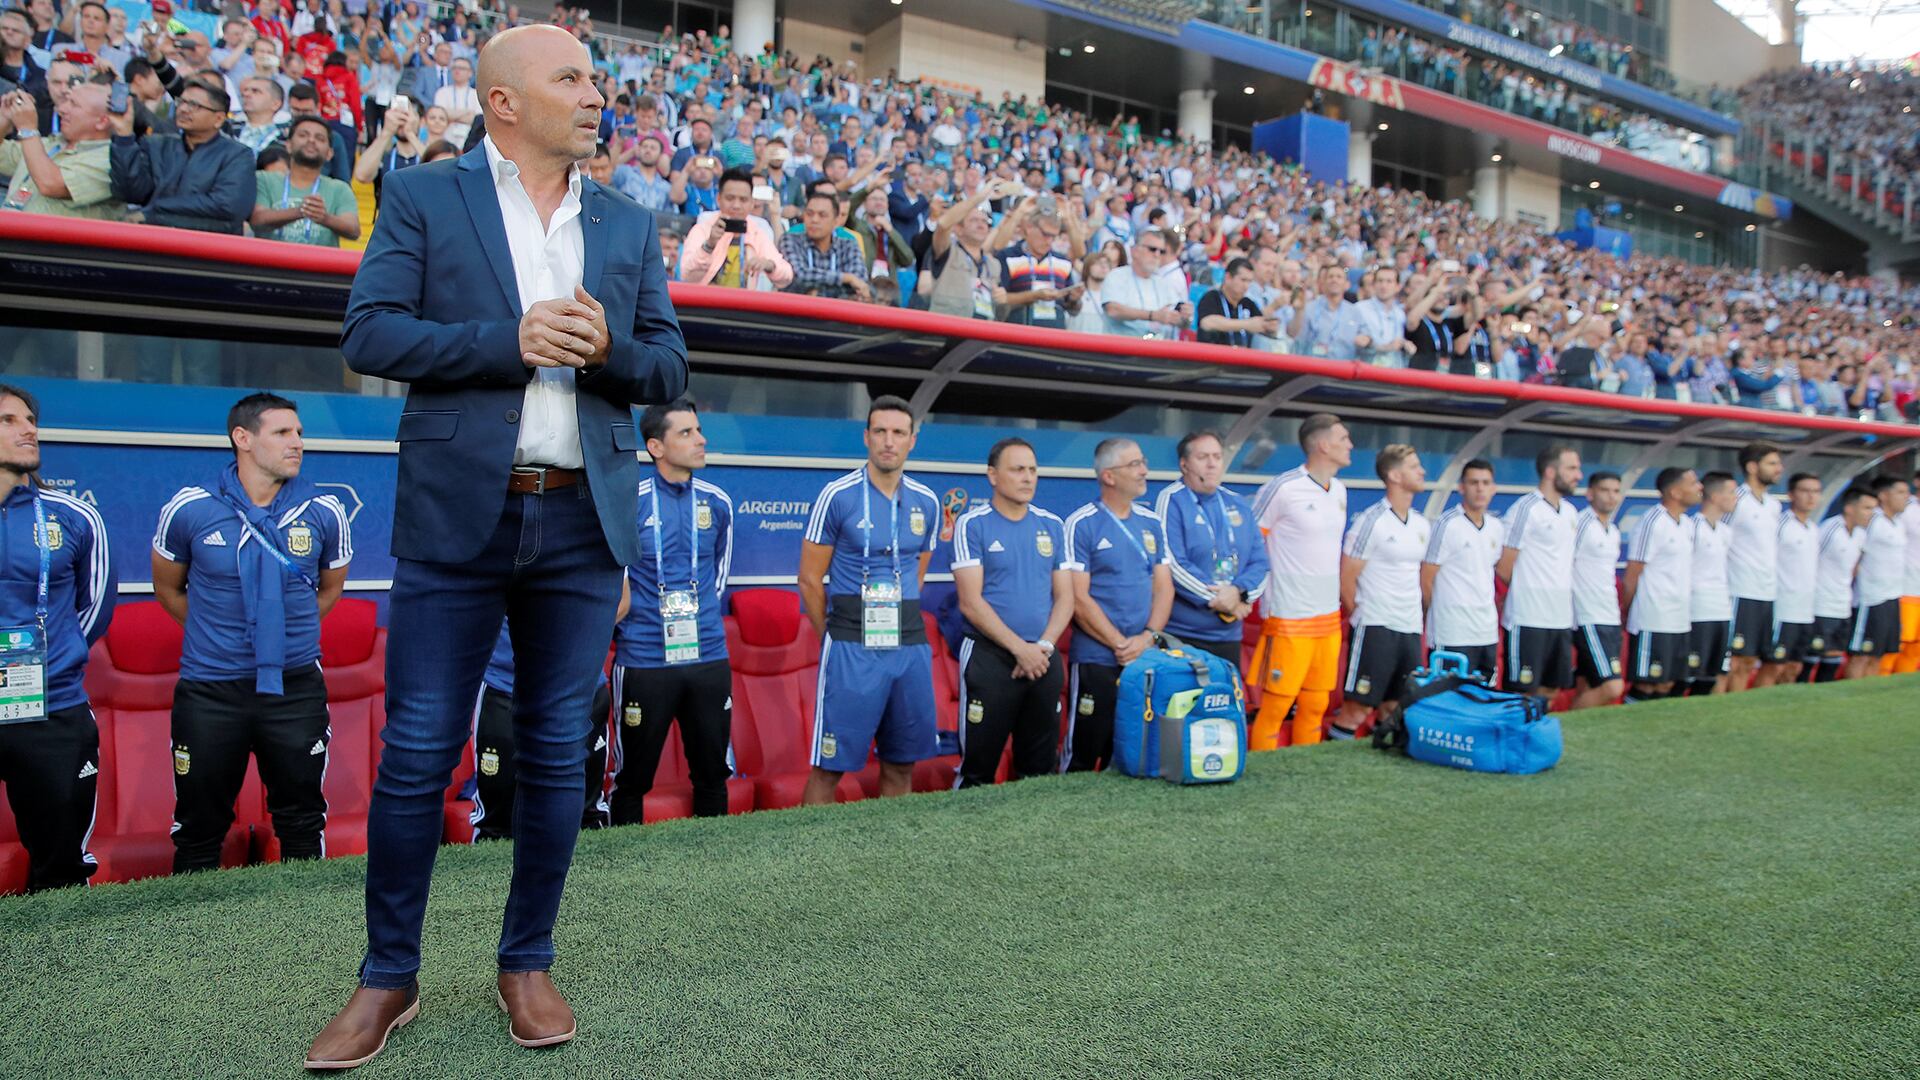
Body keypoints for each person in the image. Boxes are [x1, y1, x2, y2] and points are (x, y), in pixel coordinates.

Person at [317, 24, 688, 1068]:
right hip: (457, 517)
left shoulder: (627, 219)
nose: (596, 95)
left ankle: (526, 962)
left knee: (559, 750)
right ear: (504, 102)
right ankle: (387, 977)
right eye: (572, 78)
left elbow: (669, 365)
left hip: (582, 522)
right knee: (418, 752)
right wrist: (507, 343)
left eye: (595, 79)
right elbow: (369, 333)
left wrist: (610, 352)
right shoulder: (424, 197)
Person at [151, 393, 351, 872]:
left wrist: (278, 639)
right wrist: (217, 638)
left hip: (294, 687)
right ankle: (193, 918)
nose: (297, 443)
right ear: (242, 438)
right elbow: (168, 589)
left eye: (299, 432)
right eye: (282, 433)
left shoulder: (324, 510)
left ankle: (305, 915)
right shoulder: (190, 508)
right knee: (199, 827)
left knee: (302, 822)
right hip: (210, 689)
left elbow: (328, 591)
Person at [797, 396, 941, 804]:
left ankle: (891, 841)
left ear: (912, 440)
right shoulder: (837, 495)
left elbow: (916, 573)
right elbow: (809, 579)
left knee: (902, 763)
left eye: (898, 433)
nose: (888, 441)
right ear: (866, 437)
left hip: (908, 644)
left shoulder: (927, 501)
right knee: (829, 766)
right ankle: (809, 842)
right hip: (851, 643)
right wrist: (833, 635)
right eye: (880, 431)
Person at [0, 383, 114, 893]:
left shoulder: (74, 515)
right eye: (8, 420)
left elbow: (95, 607)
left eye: (30, 419)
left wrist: (53, 660)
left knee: (61, 868)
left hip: (52, 707)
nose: (28, 429)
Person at [610, 397, 735, 822]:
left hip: (708, 656)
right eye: (686, 433)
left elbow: (718, 578)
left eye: (699, 430)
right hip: (644, 657)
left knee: (713, 774)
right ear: (656, 446)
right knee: (631, 778)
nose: (701, 440)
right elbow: (616, 580)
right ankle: (623, 857)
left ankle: (713, 855)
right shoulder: (630, 502)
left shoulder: (718, 503)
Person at [949, 437, 1073, 788]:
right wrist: (1020, 649)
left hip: (1043, 659)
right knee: (977, 772)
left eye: (1032, 470)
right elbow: (970, 602)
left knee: (1040, 772)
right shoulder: (972, 524)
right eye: (1018, 469)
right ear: (993, 475)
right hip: (991, 658)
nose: (1028, 477)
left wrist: (1043, 647)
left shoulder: (1052, 525)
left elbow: (1066, 598)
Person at [1060, 437, 1172, 770]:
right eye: (1134, 464)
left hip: (1144, 655)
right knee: (1083, 753)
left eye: (1143, 462)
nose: (1144, 470)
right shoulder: (1081, 523)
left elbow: (1164, 588)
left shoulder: (1152, 522)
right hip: (1097, 658)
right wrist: (1120, 644)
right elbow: (1078, 597)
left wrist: (1147, 638)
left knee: (1131, 753)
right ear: (1108, 476)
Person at [1247, 413, 1350, 749]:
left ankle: (1308, 768)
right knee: (1277, 704)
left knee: (1317, 703)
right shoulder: (1283, 487)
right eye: (1343, 438)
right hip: (1288, 616)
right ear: (1323, 445)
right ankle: (1263, 768)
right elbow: (1250, 541)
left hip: (1328, 617)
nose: (1350, 445)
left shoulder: (1340, 490)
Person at [467, 617, 621, 840]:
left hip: (580, 686)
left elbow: (622, 600)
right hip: (504, 686)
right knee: (496, 818)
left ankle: (590, 863)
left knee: (588, 813)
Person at [1333, 444, 1430, 737]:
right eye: (1414, 466)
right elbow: (1346, 578)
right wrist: (1363, 615)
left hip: (1410, 627)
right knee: (1357, 710)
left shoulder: (1421, 524)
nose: (1422, 471)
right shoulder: (1371, 520)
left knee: (1396, 707)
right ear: (1394, 475)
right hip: (1376, 625)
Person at [1154, 430, 1268, 672]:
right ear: (1184, 464)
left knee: (1224, 696)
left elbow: (1261, 563)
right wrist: (1221, 600)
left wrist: (1241, 593)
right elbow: (1173, 563)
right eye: (1203, 457)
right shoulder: (1171, 499)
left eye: (1217, 457)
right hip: (1184, 634)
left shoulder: (1237, 503)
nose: (1212, 464)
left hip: (1229, 634)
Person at [108, 78, 254, 233]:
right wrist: (124, 138)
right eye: (181, 102)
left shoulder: (237, 155)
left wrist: (156, 209)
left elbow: (228, 206)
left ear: (218, 119)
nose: (183, 109)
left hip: (206, 242)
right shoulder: (157, 145)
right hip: (151, 238)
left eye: (194, 105)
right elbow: (130, 193)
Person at [1497, 446, 1582, 697]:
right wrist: (1527, 592)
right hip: (1528, 618)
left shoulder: (1570, 512)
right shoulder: (1526, 508)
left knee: (1551, 690)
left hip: (1561, 618)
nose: (1578, 475)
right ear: (1550, 471)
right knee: (1523, 692)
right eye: (1572, 468)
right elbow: (1504, 566)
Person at [1622, 467, 1701, 701]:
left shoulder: (1687, 524)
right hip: (1653, 618)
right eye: (1693, 483)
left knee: (1667, 683)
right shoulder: (1652, 521)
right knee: (1647, 684)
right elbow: (1632, 573)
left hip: (1679, 619)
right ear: (1675, 492)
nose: (1700, 487)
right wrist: (1629, 611)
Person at [1421, 458, 1503, 679]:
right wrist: (1436, 615)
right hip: (1452, 632)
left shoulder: (1496, 527)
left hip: (1486, 632)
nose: (1480, 489)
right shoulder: (1447, 524)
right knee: (1447, 694)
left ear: (1493, 488)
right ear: (1461, 488)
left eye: (1486, 483)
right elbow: (1426, 578)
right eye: (1474, 482)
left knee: (1483, 694)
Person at [0, 81, 121, 219]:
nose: (61, 109)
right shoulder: (49, 144)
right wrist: (4, 118)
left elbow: (50, 184)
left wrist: (28, 129)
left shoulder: (110, 161)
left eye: (74, 104)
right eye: (65, 101)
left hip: (42, 234)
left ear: (102, 122)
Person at [1724, 443, 1782, 692]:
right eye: (1772, 463)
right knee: (1735, 660)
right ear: (1752, 467)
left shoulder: (1773, 505)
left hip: (1766, 591)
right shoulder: (1736, 500)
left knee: (1752, 659)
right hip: (1740, 589)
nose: (1779, 469)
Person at [249, 115, 359, 246]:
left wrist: (324, 218)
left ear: (330, 153)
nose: (311, 140)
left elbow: (353, 230)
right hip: (268, 258)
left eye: (320, 138)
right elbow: (257, 219)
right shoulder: (264, 179)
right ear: (288, 145)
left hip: (317, 260)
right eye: (303, 135)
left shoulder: (339, 189)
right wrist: (300, 211)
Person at [678, 164, 792, 289]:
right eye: (730, 198)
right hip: (705, 299)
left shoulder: (757, 233)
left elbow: (786, 275)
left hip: (744, 300)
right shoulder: (703, 229)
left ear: (751, 203)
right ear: (718, 199)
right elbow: (686, 274)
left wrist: (769, 265)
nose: (736, 205)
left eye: (743, 200)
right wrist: (709, 245)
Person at [1569, 472, 1626, 709]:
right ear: (1590, 494)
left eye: (1616, 491)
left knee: (1588, 683)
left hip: (1609, 615)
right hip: (1588, 615)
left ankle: (1579, 726)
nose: (1611, 496)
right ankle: (1564, 724)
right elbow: (1565, 563)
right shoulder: (1581, 523)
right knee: (1612, 687)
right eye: (1605, 490)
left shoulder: (1613, 530)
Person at [1807, 487, 1874, 684]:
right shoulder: (1830, 529)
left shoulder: (1861, 535)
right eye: (1867, 508)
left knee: (1834, 658)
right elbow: (1810, 561)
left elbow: (1853, 569)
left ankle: (1824, 698)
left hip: (1843, 605)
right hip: (1821, 605)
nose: (1871, 514)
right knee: (1811, 658)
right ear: (1849, 508)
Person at [1761, 473, 1823, 686]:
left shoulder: (1813, 529)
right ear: (1791, 494)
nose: (1811, 496)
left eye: (1816, 491)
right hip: (1783, 609)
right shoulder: (1781, 524)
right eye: (1805, 491)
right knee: (1774, 666)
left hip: (1805, 611)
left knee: (1794, 668)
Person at [1847, 475, 1907, 680]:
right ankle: (1851, 694)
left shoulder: (1897, 523)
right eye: (1900, 492)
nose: (1906, 497)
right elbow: (1855, 554)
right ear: (1883, 495)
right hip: (1870, 598)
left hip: (1892, 597)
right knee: (1861, 655)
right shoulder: (1873, 521)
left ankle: (1868, 694)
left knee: (1878, 654)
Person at [1684, 472, 1737, 696]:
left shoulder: (1726, 531)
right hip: (1698, 611)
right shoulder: (1692, 527)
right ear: (1715, 496)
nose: (1735, 498)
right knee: (1694, 674)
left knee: (1717, 673)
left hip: (1722, 610)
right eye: (1731, 492)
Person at [996, 203, 1082, 330]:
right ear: (1029, 228)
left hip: (1054, 336)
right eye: (1045, 234)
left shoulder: (1063, 261)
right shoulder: (1007, 256)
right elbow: (999, 299)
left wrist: (1074, 299)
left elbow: (1072, 309)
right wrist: (1034, 296)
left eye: (1054, 236)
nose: (1049, 241)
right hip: (1017, 333)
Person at [778, 188, 868, 300]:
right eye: (809, 214)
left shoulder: (849, 245)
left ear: (836, 221)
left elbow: (859, 280)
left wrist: (816, 290)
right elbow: (799, 274)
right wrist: (846, 278)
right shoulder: (790, 240)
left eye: (822, 215)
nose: (814, 220)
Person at [1099, 230, 1190, 338]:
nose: (1157, 255)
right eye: (1152, 249)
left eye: (1161, 251)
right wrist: (1153, 315)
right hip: (1122, 346)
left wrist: (1184, 316)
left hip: (1155, 346)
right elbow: (1113, 310)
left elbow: (1180, 322)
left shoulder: (1163, 282)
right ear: (1134, 251)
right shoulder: (1117, 275)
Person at [1196, 257, 1279, 349]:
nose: (1246, 286)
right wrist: (1246, 324)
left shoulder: (1248, 303)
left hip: (1243, 356)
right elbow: (1207, 322)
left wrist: (1269, 326)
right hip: (1213, 355)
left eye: (1249, 281)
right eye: (1243, 280)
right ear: (1228, 277)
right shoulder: (1212, 297)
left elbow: (1261, 325)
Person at [1897, 469, 1920, 675]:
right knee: (1898, 646)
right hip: (1907, 590)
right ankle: (1879, 684)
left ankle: (1899, 685)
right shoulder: (1905, 510)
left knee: (1916, 651)